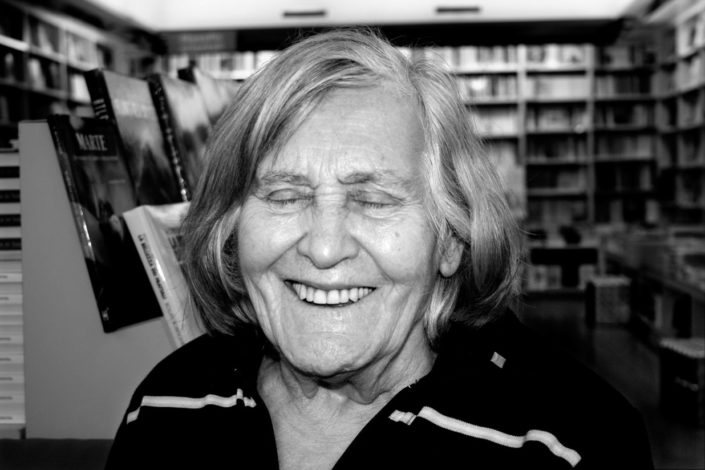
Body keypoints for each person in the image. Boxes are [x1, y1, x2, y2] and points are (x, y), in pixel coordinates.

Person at [105, 29, 653, 469]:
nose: (324, 248)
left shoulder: (569, 445)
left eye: (373, 200)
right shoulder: (169, 403)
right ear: (230, 228)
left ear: (451, 239)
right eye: (285, 196)